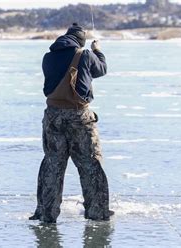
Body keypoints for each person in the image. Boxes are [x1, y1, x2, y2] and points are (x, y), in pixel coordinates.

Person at [29, 23, 114, 223]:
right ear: (81, 40)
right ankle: (97, 212)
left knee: (52, 164)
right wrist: (98, 51)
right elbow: (101, 70)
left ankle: (45, 213)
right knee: (90, 164)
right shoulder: (84, 54)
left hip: (53, 117)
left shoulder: (48, 57)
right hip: (79, 117)